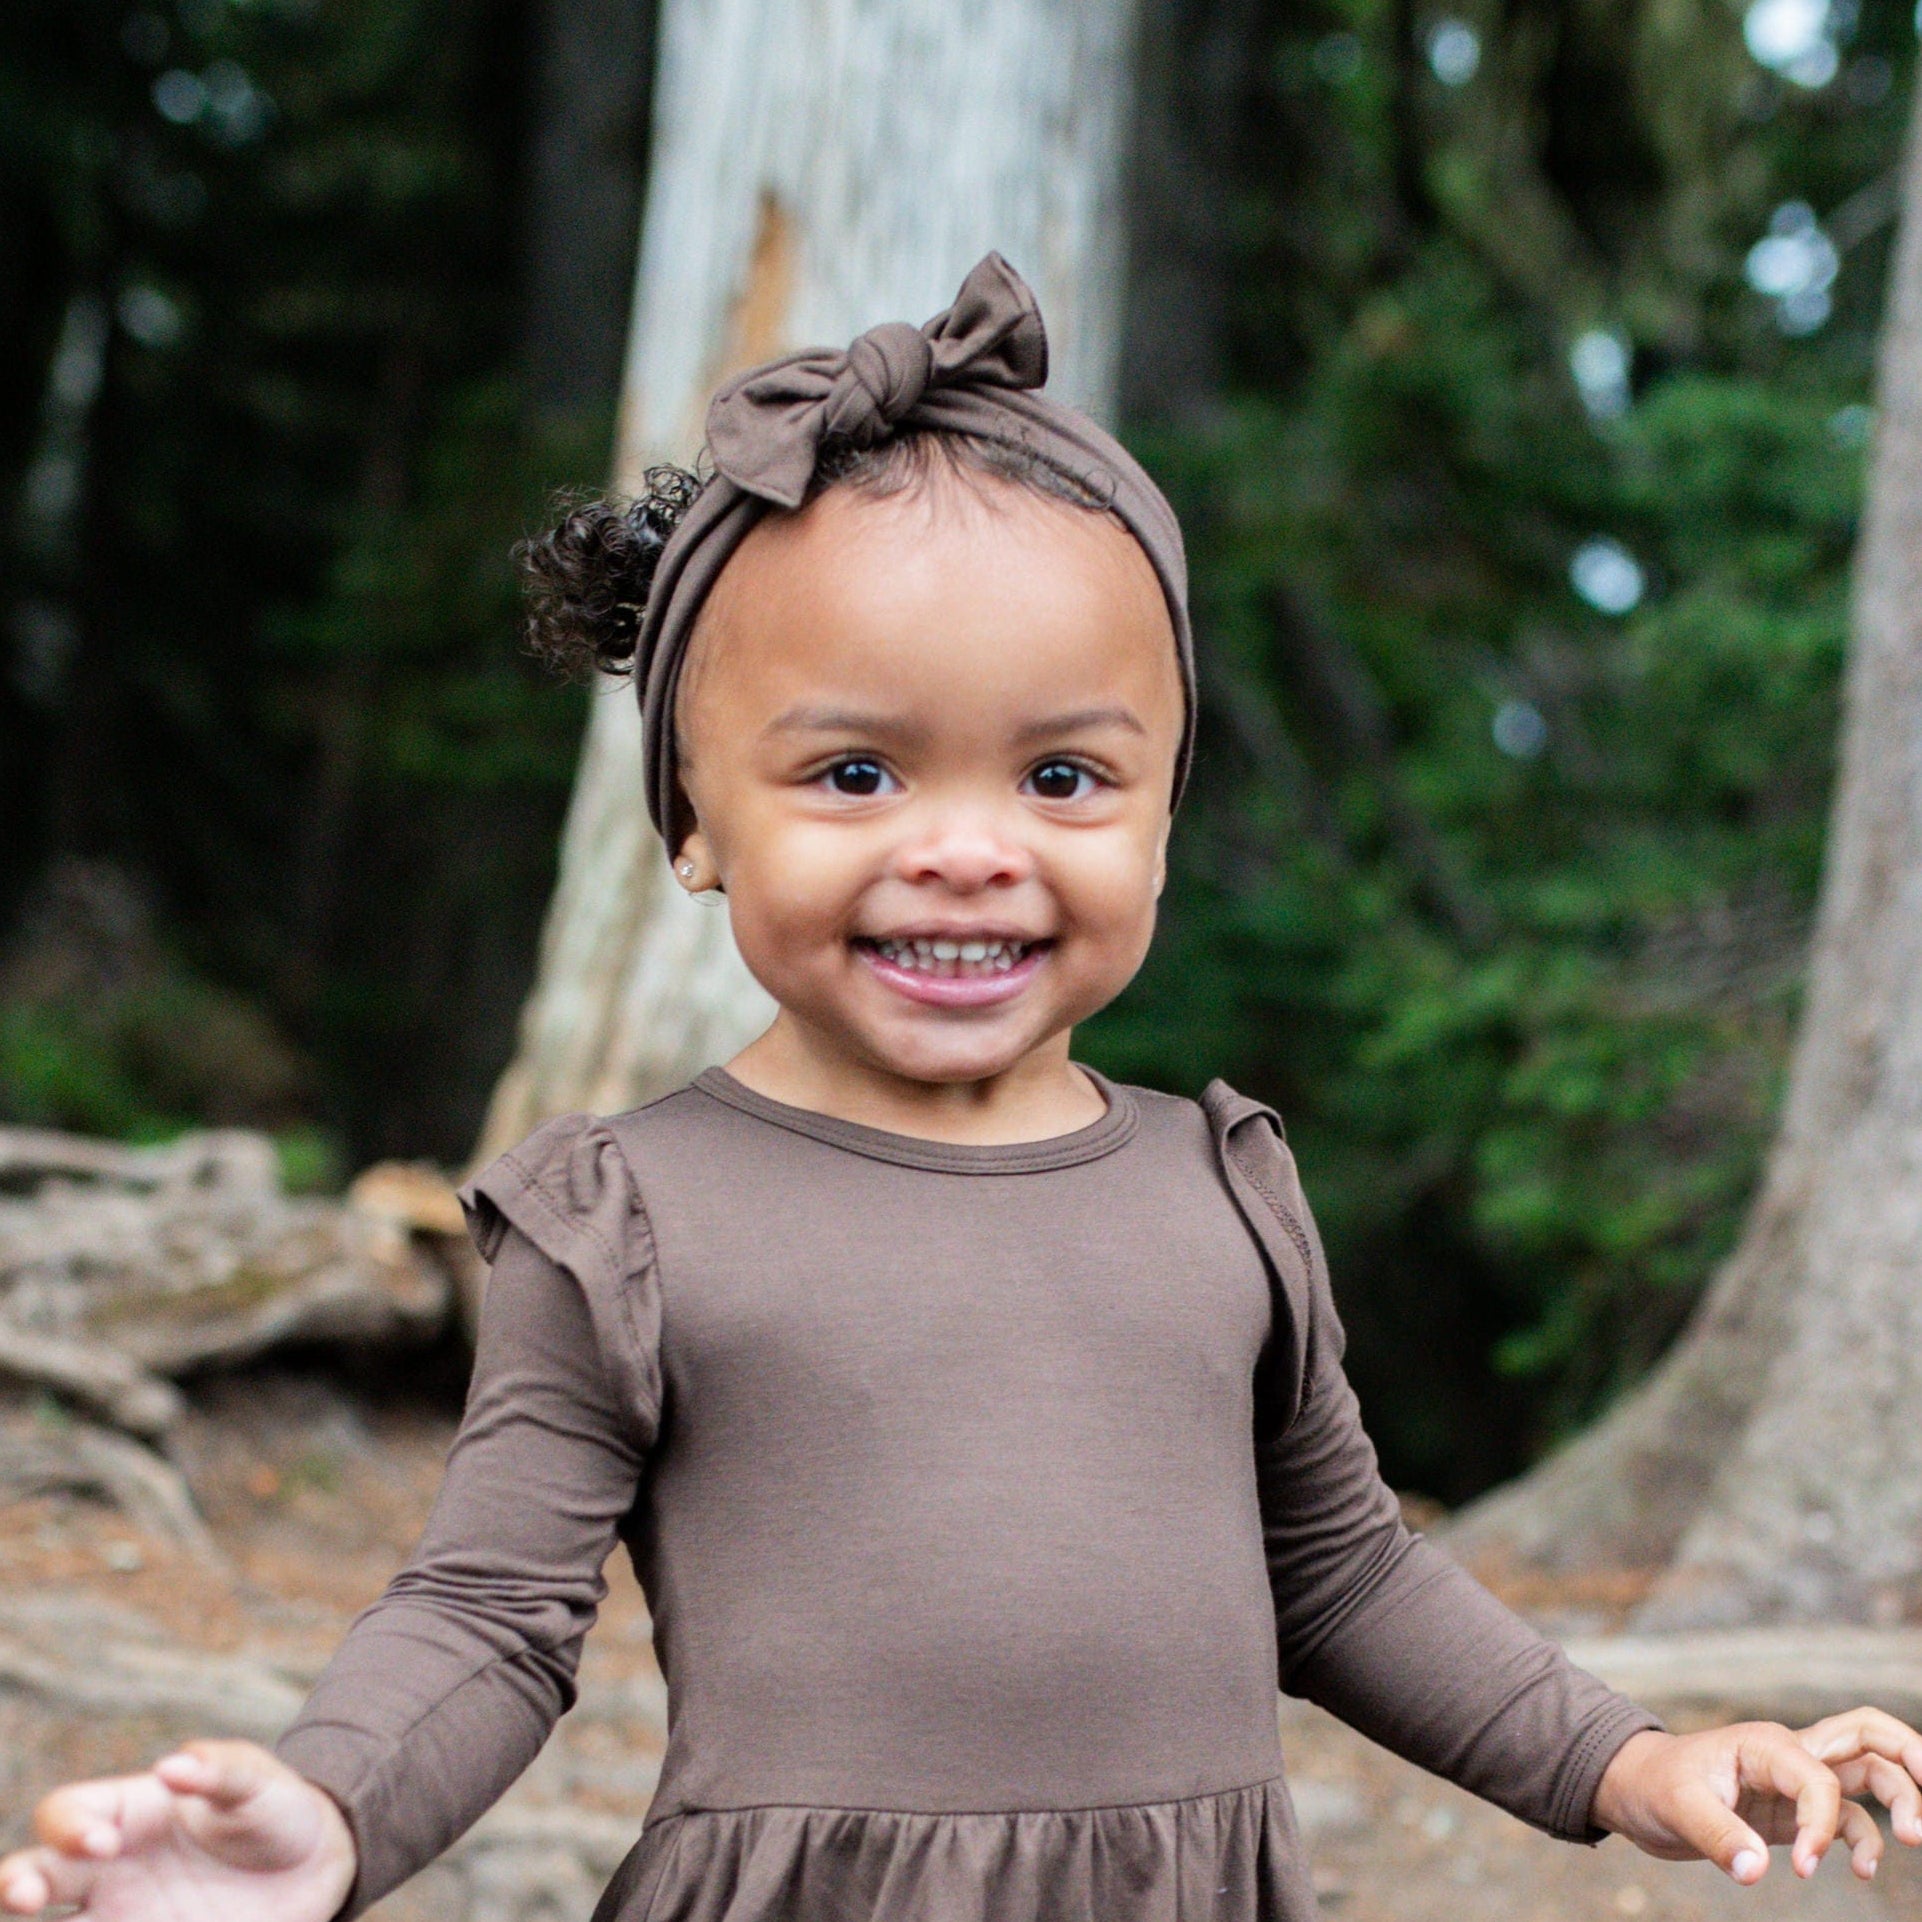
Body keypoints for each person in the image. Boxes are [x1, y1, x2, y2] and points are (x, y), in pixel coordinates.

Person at [5, 254, 1920, 1922]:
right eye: (854, 775)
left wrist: (1628, 1761)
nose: (966, 850)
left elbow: (1339, 1574)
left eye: (1063, 779)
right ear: (691, 819)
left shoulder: (1217, 1186)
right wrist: (327, 1810)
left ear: (1166, 814)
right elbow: (489, 1618)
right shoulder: (629, 1217)